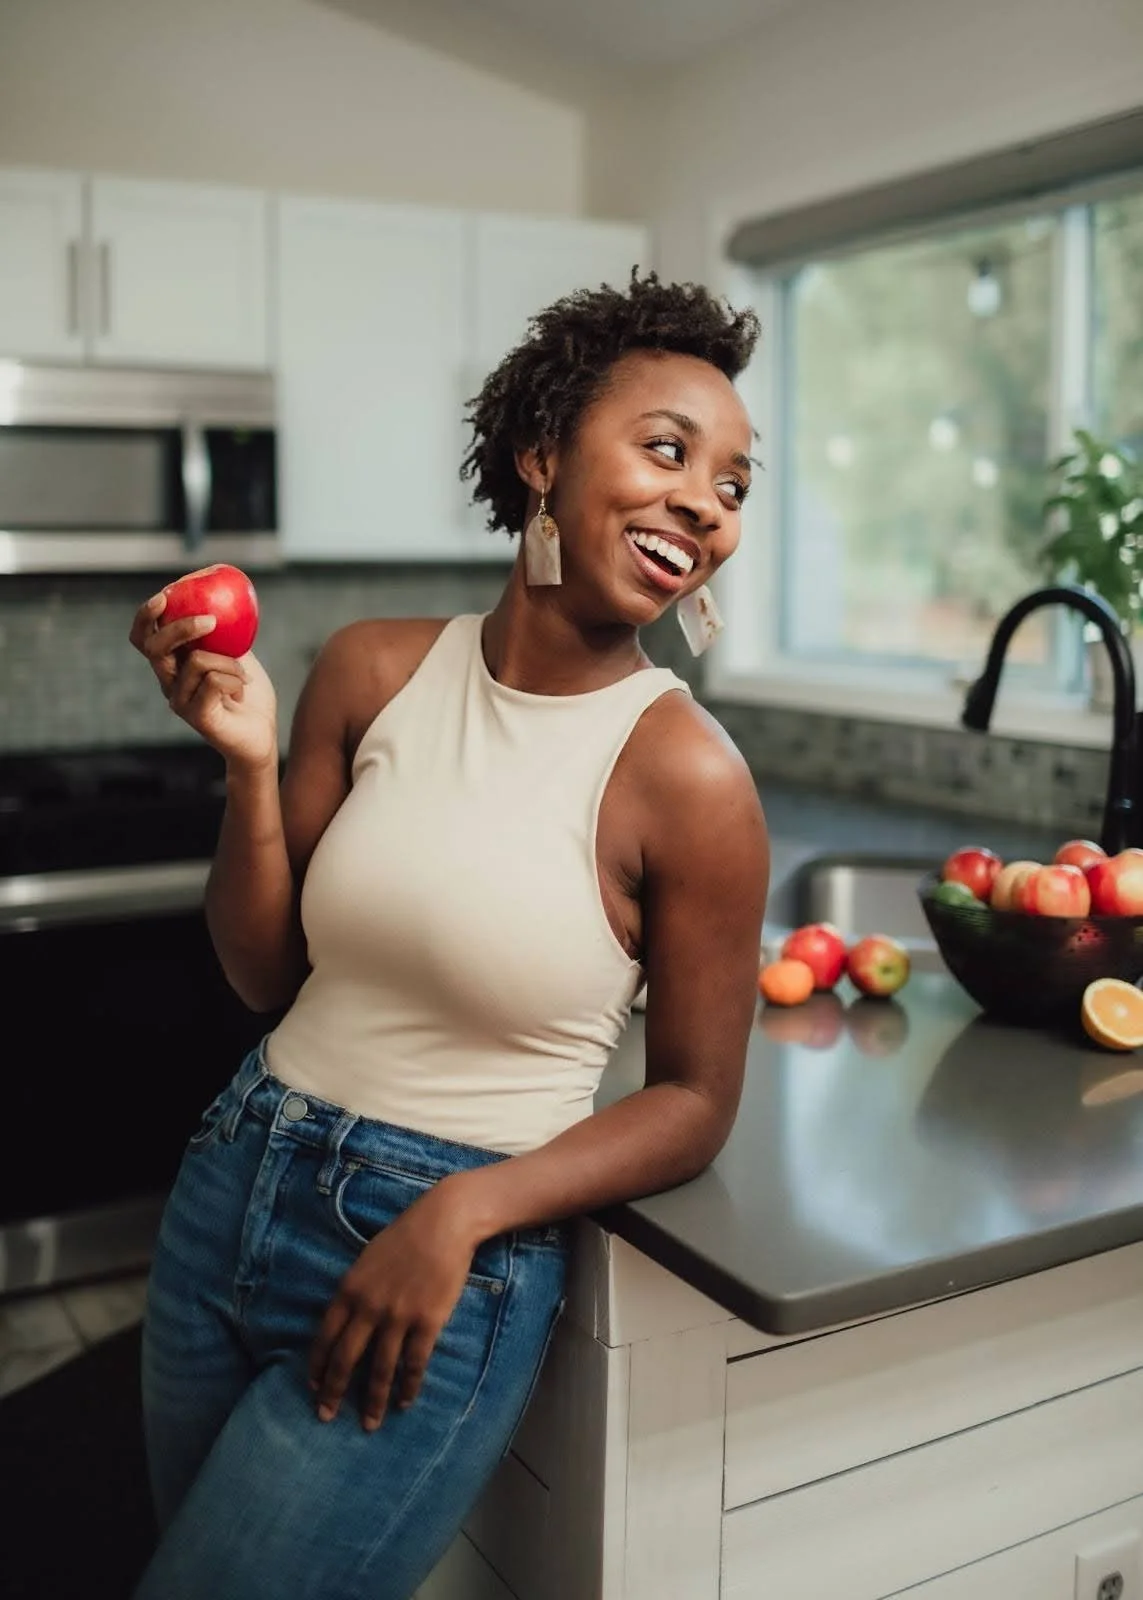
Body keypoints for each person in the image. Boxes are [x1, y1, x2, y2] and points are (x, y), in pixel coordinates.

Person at [127, 272, 770, 1600]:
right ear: (541, 454)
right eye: (667, 450)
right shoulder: (371, 669)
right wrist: (248, 772)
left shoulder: (688, 777)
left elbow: (695, 1102)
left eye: (732, 484)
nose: (707, 503)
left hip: (437, 1255)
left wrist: (462, 1214)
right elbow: (263, 972)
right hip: (230, 1180)